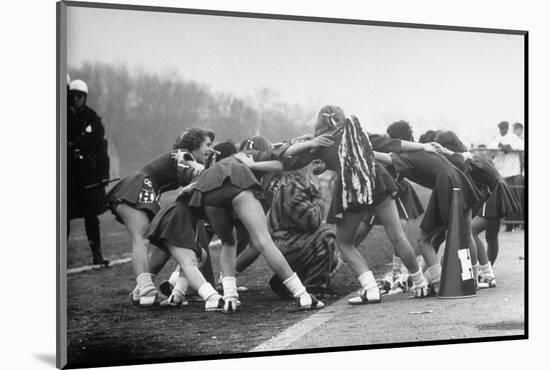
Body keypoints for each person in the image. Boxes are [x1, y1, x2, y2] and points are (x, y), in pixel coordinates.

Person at [280, 106, 438, 304]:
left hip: (351, 189)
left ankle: (371, 289)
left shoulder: (319, 143)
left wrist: (309, 143)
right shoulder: (355, 130)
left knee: (345, 243)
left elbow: (285, 158)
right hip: (377, 178)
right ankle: (420, 284)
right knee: (398, 237)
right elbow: (394, 144)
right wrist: (423, 147)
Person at [186, 140, 326, 313]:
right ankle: (302, 295)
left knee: (229, 243)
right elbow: (283, 158)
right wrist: (312, 142)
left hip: (208, 190)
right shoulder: (251, 155)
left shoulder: (224, 160)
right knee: (264, 241)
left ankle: (229, 298)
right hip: (236, 179)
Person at [106, 128, 214, 306]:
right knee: (141, 238)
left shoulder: (185, 157)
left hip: (144, 189)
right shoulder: (183, 155)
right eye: (207, 145)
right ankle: (146, 289)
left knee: (165, 241)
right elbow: (190, 174)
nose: (210, 149)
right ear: (194, 144)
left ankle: (139, 291)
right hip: (139, 186)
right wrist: (209, 170)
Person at [435, 131, 521, 280]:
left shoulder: (464, 158)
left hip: (495, 192)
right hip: (498, 189)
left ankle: (487, 274)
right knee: (491, 236)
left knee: (471, 231)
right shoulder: (471, 154)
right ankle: (488, 271)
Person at [265, 158, 341, 299]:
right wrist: (318, 194)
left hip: (287, 243)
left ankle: (285, 280)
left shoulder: (294, 184)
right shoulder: (291, 189)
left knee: (332, 257)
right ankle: (313, 286)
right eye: (310, 163)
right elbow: (314, 221)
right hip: (284, 245)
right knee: (327, 235)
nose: (313, 167)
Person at [67, 79, 111, 267]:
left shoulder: (93, 118)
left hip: (88, 175)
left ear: (84, 97)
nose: (76, 99)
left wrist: (103, 174)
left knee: (91, 216)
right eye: (73, 96)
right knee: (63, 216)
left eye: (79, 96)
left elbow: (102, 149)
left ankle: (97, 253)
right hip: (67, 175)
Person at [488, 121, 524, 231]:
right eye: (501, 128)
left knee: (514, 198)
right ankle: (508, 224)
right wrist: (500, 145)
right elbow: (491, 148)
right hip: (502, 173)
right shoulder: (497, 138)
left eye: (504, 128)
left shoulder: (514, 138)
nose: (502, 130)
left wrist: (507, 146)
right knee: (504, 199)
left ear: (507, 128)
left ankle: (515, 224)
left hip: (513, 172)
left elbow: (519, 147)